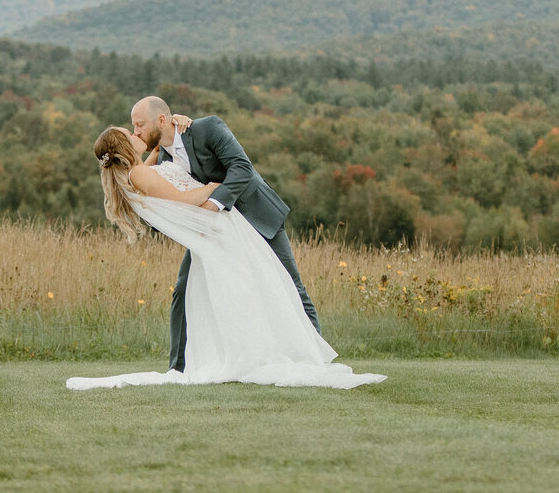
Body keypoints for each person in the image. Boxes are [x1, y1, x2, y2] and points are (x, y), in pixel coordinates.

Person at [66, 125, 384, 390]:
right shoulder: (139, 175)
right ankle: (266, 354)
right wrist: (213, 188)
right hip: (219, 223)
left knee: (256, 285)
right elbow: (182, 199)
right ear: (123, 145)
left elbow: (156, 162)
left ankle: (277, 350)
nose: (136, 132)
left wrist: (171, 130)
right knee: (261, 284)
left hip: (218, 229)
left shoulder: (135, 174)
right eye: (130, 132)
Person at [131, 95, 320, 372]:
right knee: (183, 291)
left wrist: (212, 205)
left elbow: (242, 168)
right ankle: (178, 369)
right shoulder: (160, 161)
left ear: (162, 120)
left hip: (255, 215)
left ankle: (316, 359)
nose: (136, 132)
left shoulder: (208, 128)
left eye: (140, 124)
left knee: (291, 285)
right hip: (214, 231)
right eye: (134, 127)